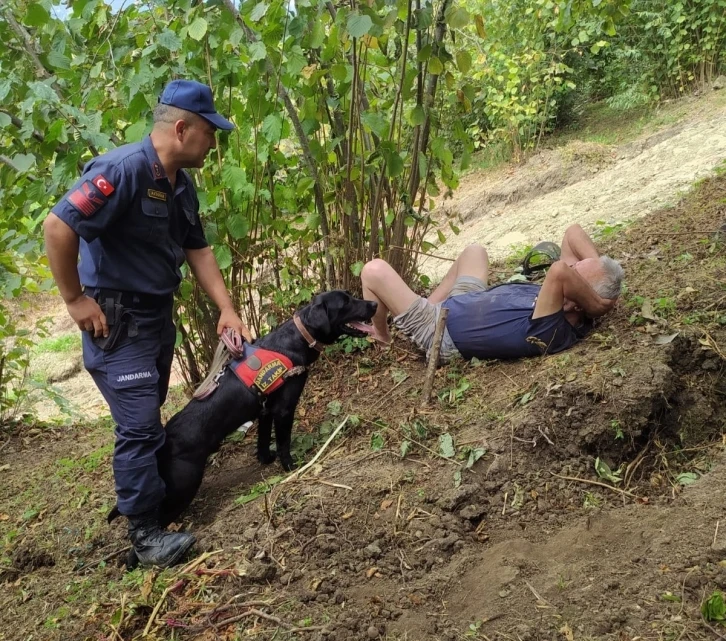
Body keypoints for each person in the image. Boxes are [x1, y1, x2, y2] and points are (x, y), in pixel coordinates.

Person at [43, 80, 252, 568]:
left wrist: (226, 306)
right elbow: (58, 226)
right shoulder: (122, 170)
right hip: (117, 320)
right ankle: (145, 535)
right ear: (181, 128)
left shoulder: (179, 182)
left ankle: (150, 499)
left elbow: (196, 248)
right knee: (138, 426)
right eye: (209, 132)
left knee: (148, 414)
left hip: (156, 318)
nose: (214, 143)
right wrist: (74, 299)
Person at [360, 224, 623, 362]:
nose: (570, 265)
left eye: (576, 271)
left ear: (579, 303)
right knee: (474, 252)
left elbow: (558, 271)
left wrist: (598, 304)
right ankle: (412, 308)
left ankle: (382, 336)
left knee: (374, 270)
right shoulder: (568, 302)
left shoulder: (553, 328)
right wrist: (596, 273)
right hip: (467, 301)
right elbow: (572, 232)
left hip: (441, 332)